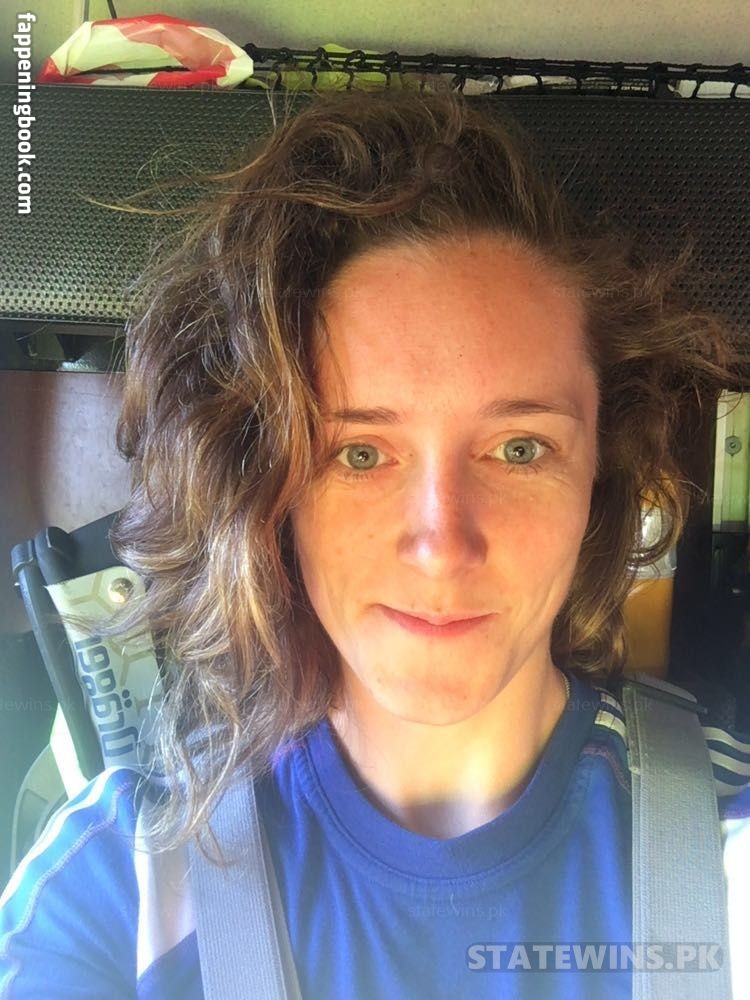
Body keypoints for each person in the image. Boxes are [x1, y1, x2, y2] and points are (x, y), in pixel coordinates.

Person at [1, 85, 749, 1000]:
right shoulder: (113, 887)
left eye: (520, 448)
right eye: (359, 453)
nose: (442, 545)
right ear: (271, 486)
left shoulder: (730, 845)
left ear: (600, 468)